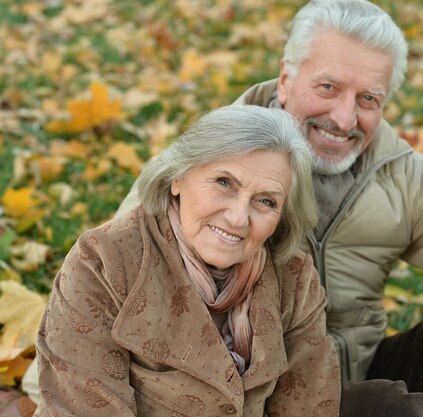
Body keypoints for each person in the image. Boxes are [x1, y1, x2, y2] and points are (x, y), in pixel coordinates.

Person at [26, 1, 423, 416]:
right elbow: (93, 300)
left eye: (368, 99)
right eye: (328, 86)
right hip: (232, 391)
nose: (343, 116)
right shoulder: (211, 165)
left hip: (340, 379)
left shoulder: (402, 177)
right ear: (286, 78)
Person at [33, 105, 341, 417]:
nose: (237, 218)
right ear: (178, 178)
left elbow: (309, 404)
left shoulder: (295, 278)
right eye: (224, 182)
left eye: (265, 201)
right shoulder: (105, 260)